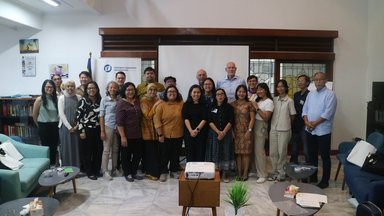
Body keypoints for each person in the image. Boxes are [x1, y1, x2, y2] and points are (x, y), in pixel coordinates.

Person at [302, 72, 337, 189]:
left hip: (323, 131)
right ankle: (313, 176)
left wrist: (315, 124)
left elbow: (327, 113)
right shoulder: (310, 94)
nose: (318, 82)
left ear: (325, 80)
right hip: (310, 130)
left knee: (325, 157)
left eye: (320, 80)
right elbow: (305, 110)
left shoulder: (330, 94)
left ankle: (325, 181)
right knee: (312, 156)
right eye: (316, 80)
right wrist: (307, 122)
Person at [153, 85, 184, 182]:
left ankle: (174, 170)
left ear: (177, 93)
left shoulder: (182, 104)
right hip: (164, 135)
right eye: (169, 92)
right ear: (166, 94)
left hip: (179, 134)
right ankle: (163, 172)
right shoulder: (161, 104)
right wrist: (160, 134)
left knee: (175, 154)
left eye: (174, 92)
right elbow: (156, 120)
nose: (172, 93)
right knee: (164, 155)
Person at [268, 80, 296, 182]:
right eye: (278, 87)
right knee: (273, 153)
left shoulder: (290, 101)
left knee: (282, 153)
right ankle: (275, 171)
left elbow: (293, 116)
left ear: (285, 88)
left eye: (282, 86)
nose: (280, 88)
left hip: (284, 130)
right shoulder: (274, 100)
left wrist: (287, 124)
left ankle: (282, 173)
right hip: (273, 129)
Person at [116, 82, 144, 182]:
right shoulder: (121, 103)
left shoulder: (137, 101)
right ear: (124, 91)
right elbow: (119, 122)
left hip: (138, 134)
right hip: (126, 134)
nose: (130, 92)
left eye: (132, 89)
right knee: (126, 155)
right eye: (128, 90)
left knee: (137, 155)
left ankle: (134, 172)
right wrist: (123, 136)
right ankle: (127, 173)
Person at [206, 88, 235, 183]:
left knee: (225, 151)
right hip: (214, 134)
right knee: (215, 152)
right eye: (218, 94)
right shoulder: (211, 106)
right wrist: (218, 132)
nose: (220, 96)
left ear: (225, 96)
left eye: (222, 94)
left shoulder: (229, 107)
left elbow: (231, 121)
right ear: (215, 96)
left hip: (226, 134)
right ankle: (215, 172)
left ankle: (225, 173)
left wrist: (223, 132)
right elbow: (209, 121)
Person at [76, 81, 103, 180]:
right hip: (86, 130)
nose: (91, 90)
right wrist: (81, 131)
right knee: (86, 152)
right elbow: (78, 117)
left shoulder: (101, 100)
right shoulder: (83, 101)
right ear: (86, 90)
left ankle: (96, 170)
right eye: (89, 88)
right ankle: (89, 172)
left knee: (98, 151)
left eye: (93, 88)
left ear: (97, 89)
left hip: (98, 130)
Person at [32, 79, 60, 166]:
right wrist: (39, 126)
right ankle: (46, 166)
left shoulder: (56, 99)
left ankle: (53, 164)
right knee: (45, 147)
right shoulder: (39, 100)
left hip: (55, 126)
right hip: (43, 126)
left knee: (54, 147)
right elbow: (34, 115)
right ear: (43, 88)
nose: (49, 88)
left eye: (51, 87)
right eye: (47, 87)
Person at [231, 85, 255, 181]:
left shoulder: (250, 104)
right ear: (236, 93)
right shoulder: (232, 104)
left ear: (246, 93)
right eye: (239, 91)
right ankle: (239, 172)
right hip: (236, 131)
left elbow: (252, 119)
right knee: (238, 153)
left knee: (246, 153)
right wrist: (232, 131)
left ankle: (245, 173)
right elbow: (230, 120)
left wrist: (249, 130)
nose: (241, 93)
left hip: (246, 131)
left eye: (243, 92)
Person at [251, 83, 274, 183]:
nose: (259, 91)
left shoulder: (269, 102)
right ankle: (255, 170)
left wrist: (256, 108)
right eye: (258, 90)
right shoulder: (259, 100)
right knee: (254, 149)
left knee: (259, 150)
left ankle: (263, 174)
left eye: (261, 89)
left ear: (266, 90)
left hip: (261, 125)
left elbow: (266, 117)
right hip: (254, 124)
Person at [99, 81, 120, 180]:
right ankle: (105, 171)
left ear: (117, 89)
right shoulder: (104, 100)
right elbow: (101, 116)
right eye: (110, 87)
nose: (113, 89)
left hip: (118, 127)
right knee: (106, 150)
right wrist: (102, 131)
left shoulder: (120, 100)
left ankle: (114, 169)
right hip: (108, 126)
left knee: (115, 149)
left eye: (114, 87)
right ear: (107, 89)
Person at [58, 80, 82, 167]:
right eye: (68, 86)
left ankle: (77, 169)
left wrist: (76, 126)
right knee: (66, 149)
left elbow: (81, 113)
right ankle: (68, 170)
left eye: (72, 86)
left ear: (74, 87)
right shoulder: (61, 98)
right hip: (65, 128)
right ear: (65, 87)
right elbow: (61, 114)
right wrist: (69, 127)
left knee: (77, 148)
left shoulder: (79, 97)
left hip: (77, 127)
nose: (70, 88)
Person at [140, 83, 161, 180]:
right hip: (147, 131)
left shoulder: (157, 100)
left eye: (154, 90)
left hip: (156, 131)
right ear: (147, 91)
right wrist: (156, 105)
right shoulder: (143, 101)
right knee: (150, 153)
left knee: (156, 152)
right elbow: (148, 116)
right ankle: (149, 172)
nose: (153, 92)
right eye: (150, 90)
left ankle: (154, 171)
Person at [182, 84, 207, 162]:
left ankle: (199, 172)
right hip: (189, 133)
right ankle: (190, 173)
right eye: (194, 92)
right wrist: (191, 131)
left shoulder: (204, 104)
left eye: (198, 92)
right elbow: (185, 118)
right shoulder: (186, 104)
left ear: (201, 93)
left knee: (200, 154)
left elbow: (205, 118)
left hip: (201, 133)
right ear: (190, 93)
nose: (196, 94)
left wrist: (197, 130)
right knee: (190, 153)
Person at [290, 74, 310, 164]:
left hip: (305, 125)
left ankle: (309, 168)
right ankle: (294, 166)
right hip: (295, 124)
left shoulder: (310, 95)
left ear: (307, 83)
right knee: (294, 148)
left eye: (302, 80)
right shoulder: (296, 94)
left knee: (306, 149)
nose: (300, 82)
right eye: (299, 81)